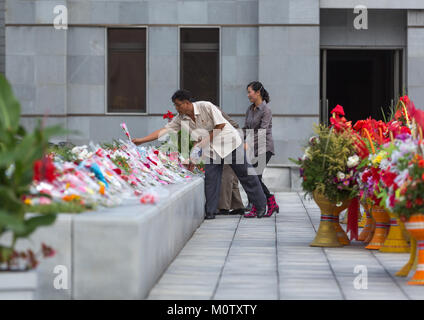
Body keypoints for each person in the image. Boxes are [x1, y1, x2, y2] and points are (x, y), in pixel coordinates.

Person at [131, 89, 267, 220]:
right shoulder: (180, 118)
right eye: (175, 105)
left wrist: (204, 141)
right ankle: (210, 211)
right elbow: (164, 130)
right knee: (211, 179)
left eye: (178, 105)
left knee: (246, 176)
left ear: (186, 103)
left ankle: (261, 206)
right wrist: (141, 140)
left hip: (229, 144)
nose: (177, 108)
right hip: (212, 150)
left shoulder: (206, 106)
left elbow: (220, 125)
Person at [242, 81, 279, 218]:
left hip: (265, 147)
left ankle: (263, 204)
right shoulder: (249, 109)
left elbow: (262, 131)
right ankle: (268, 203)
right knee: (254, 177)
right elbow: (246, 129)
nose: (248, 95)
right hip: (253, 149)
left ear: (257, 93)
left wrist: (249, 143)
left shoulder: (266, 110)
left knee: (254, 177)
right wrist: (237, 137)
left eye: (249, 92)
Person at [216, 110, 245, 216]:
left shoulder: (211, 110)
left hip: (231, 141)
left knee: (226, 174)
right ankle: (238, 206)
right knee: (232, 176)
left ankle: (223, 207)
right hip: (231, 139)